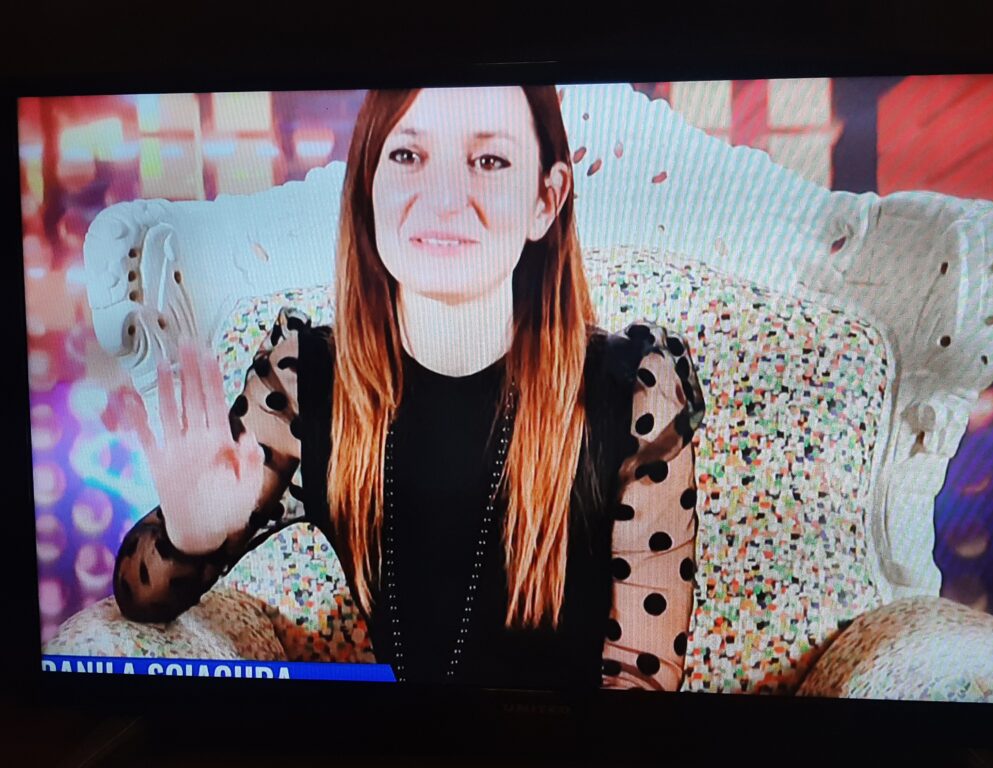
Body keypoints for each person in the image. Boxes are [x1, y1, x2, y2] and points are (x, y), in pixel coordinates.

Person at [111, 85, 707, 691]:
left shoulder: (636, 395)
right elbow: (140, 598)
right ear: (368, 188)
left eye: (489, 160)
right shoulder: (303, 382)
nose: (445, 200)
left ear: (545, 198)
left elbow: (642, 685)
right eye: (407, 155)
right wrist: (188, 539)